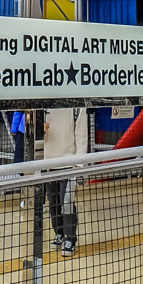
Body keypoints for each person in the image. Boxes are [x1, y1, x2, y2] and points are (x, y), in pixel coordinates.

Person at [43, 107, 88, 257]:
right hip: (48, 163)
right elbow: (33, 133)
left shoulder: (77, 107)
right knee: (53, 202)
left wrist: (79, 164)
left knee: (67, 201)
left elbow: (81, 135)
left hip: (69, 164)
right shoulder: (43, 104)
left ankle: (70, 238)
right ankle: (59, 232)